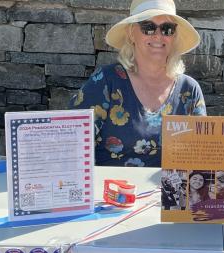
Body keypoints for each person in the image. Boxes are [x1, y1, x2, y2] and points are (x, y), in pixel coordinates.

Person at [69, 0, 206, 167]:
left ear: (174, 37)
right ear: (131, 34)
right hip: (112, 191)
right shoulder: (106, 81)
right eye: (148, 27)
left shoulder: (189, 90)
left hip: (167, 192)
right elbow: (72, 142)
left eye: (167, 29)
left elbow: (200, 155)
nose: (158, 36)